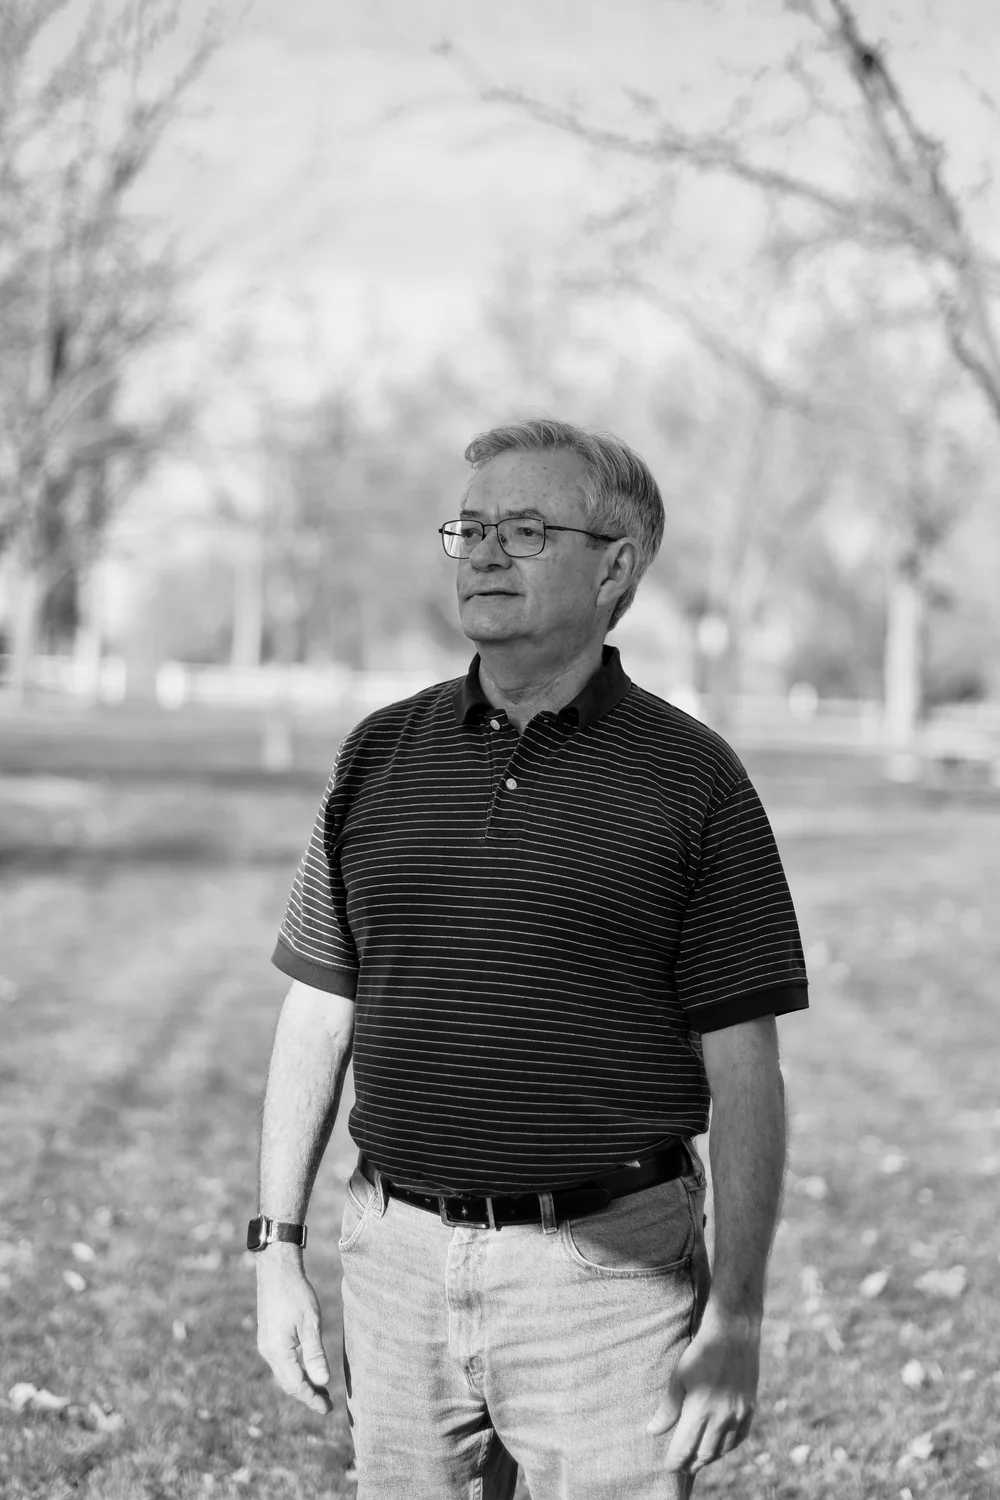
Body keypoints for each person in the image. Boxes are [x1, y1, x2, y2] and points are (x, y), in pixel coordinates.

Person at [252, 418, 809, 1499]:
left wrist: (736, 1314)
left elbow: (746, 1068)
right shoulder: (376, 753)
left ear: (616, 568)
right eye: (469, 528)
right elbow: (317, 1011)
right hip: (393, 1263)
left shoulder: (694, 783)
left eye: (524, 527)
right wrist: (277, 1246)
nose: (484, 553)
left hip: (609, 1283)